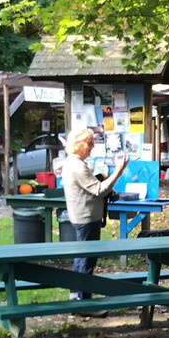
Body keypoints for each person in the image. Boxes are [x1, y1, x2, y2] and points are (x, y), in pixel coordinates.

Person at [61, 127, 129, 316]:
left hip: (81, 216)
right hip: (87, 218)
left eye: (93, 142)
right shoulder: (78, 165)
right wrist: (118, 171)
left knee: (81, 257)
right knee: (87, 260)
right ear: (78, 144)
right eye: (89, 143)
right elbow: (99, 190)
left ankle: (75, 297)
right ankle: (85, 305)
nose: (92, 146)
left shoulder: (71, 163)